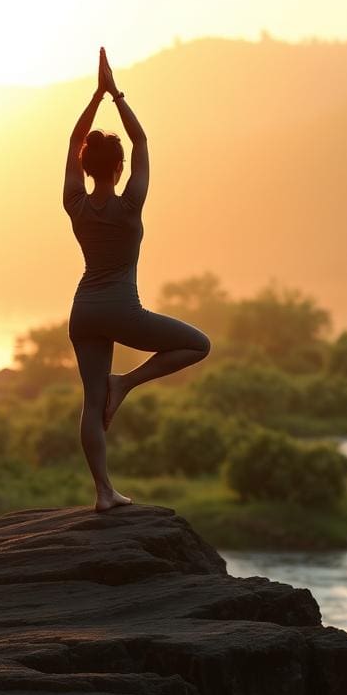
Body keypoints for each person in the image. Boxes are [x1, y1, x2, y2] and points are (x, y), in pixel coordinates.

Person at [63, 47, 211, 512]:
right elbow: (142, 141)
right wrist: (116, 94)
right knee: (198, 344)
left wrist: (94, 97)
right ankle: (125, 383)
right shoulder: (130, 205)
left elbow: (71, 142)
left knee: (91, 404)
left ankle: (103, 492)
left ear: (88, 167)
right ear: (119, 167)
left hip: (83, 310)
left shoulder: (76, 203)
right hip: (122, 311)